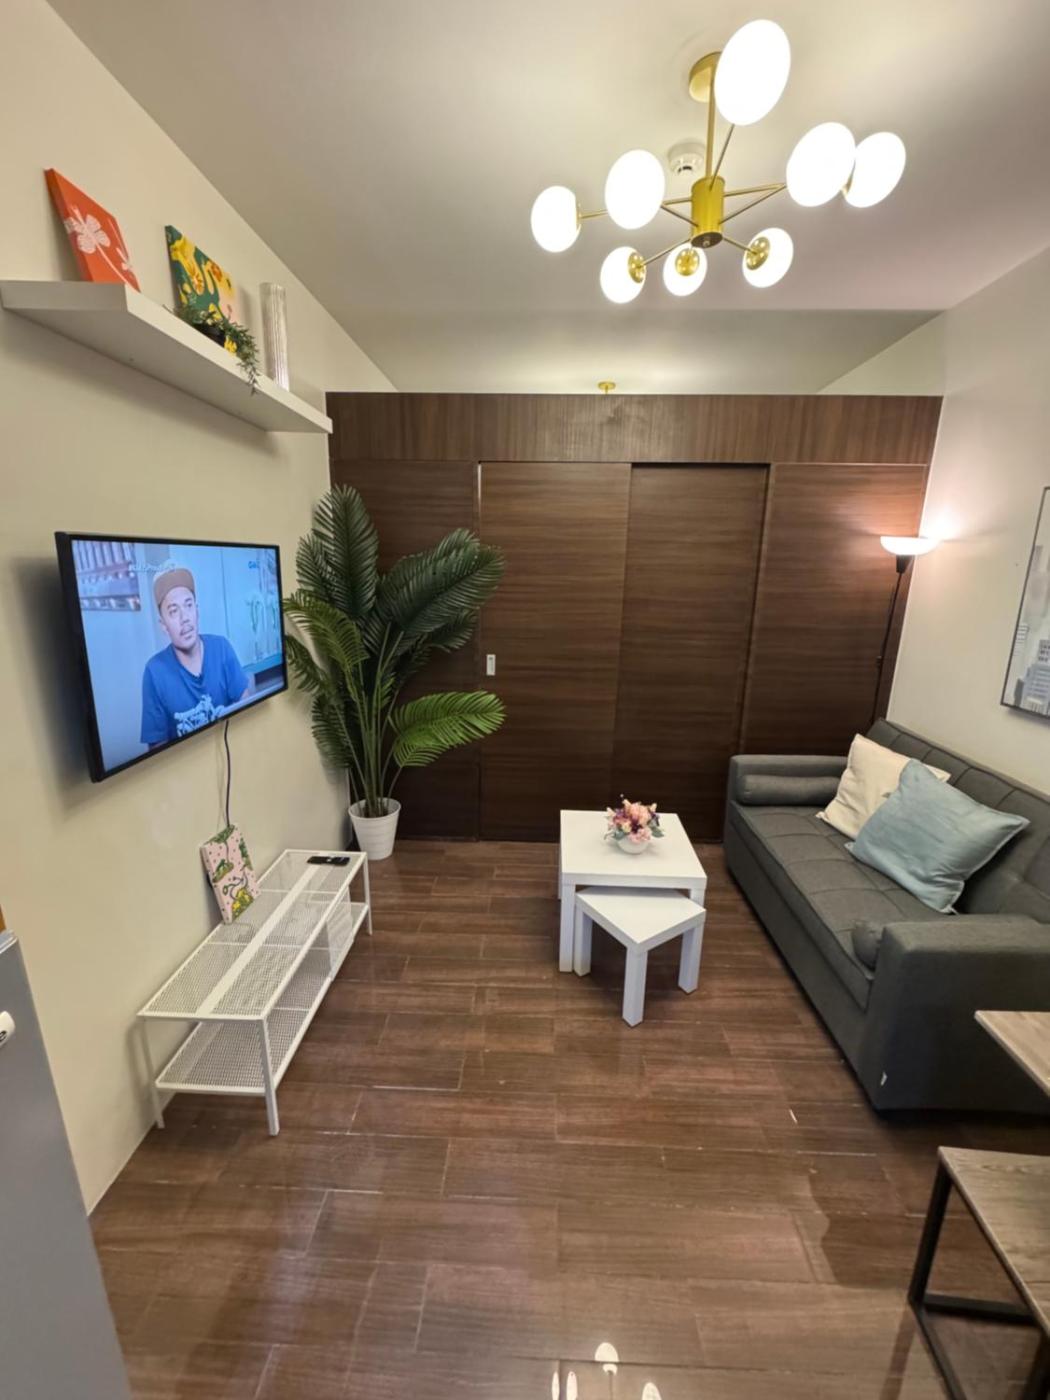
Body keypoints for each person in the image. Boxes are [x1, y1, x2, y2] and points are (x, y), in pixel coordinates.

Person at [140, 564, 251, 747]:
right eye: (173, 611)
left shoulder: (221, 648)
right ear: (163, 626)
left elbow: (248, 712)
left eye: (188, 605)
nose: (184, 618)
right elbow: (157, 752)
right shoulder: (155, 672)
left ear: (197, 611)